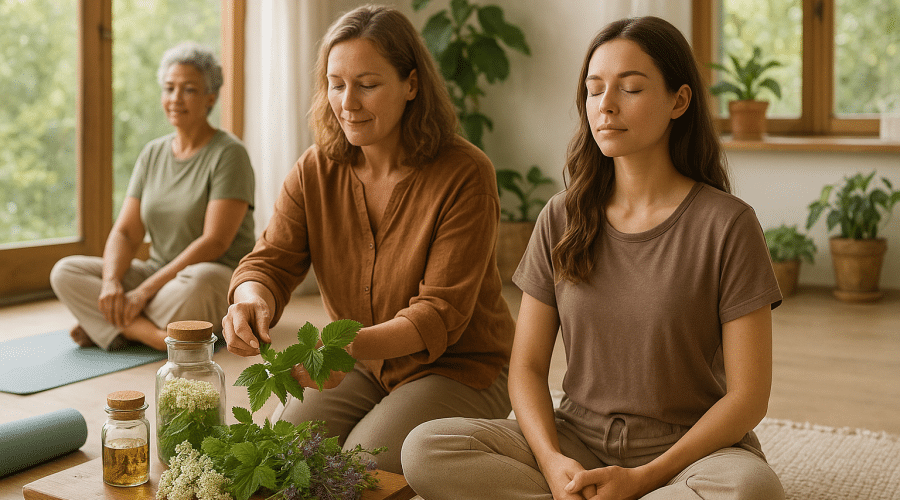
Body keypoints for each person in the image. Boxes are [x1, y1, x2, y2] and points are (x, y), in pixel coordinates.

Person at [402, 16, 786, 500]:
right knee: (426, 448)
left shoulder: (728, 224)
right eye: (594, 89)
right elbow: (526, 368)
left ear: (679, 101)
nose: (605, 106)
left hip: (687, 453)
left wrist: (645, 478)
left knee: (752, 489)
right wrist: (552, 462)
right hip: (577, 440)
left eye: (630, 89)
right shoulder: (561, 216)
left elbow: (748, 398)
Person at [221, 5, 515, 475]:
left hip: (460, 368)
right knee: (282, 457)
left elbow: (437, 314)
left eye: (368, 84)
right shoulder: (314, 171)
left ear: (411, 85)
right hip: (363, 363)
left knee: (356, 467)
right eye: (336, 84)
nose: (348, 102)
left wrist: (345, 347)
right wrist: (249, 300)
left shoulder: (465, 173)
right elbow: (269, 263)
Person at [51, 42, 255, 352]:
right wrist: (110, 284)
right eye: (169, 88)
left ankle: (110, 324)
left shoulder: (230, 153)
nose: (175, 98)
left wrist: (143, 293)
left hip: (212, 278)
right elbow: (126, 231)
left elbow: (215, 242)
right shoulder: (153, 153)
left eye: (188, 90)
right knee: (65, 271)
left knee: (200, 281)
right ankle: (151, 334)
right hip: (159, 274)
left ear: (210, 99)